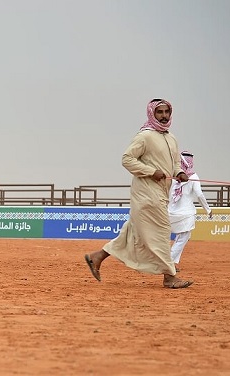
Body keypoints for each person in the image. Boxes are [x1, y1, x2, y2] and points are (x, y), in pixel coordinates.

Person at [84, 98, 193, 289]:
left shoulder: (171, 138)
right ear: (152, 113)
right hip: (146, 193)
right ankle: (169, 276)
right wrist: (151, 171)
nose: (164, 115)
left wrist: (180, 173)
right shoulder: (145, 136)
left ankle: (97, 257)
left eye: (166, 111)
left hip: (162, 192)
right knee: (161, 231)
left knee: (132, 231)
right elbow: (127, 159)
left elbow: (175, 164)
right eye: (160, 112)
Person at [168, 150, 212, 271]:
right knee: (183, 237)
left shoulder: (173, 176)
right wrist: (208, 210)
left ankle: (172, 262)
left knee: (182, 237)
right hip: (186, 214)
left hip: (170, 213)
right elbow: (199, 194)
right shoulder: (193, 176)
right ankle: (169, 262)